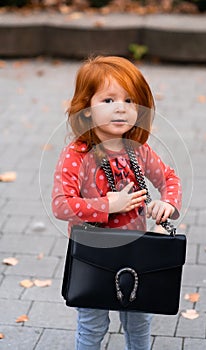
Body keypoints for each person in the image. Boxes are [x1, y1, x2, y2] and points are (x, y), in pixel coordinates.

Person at [52, 56, 182, 350]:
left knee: (138, 323)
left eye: (129, 100)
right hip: (92, 256)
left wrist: (168, 203)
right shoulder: (77, 155)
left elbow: (169, 179)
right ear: (86, 109)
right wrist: (107, 205)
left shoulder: (139, 150)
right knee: (92, 325)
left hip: (137, 252)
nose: (121, 107)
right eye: (108, 100)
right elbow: (61, 205)